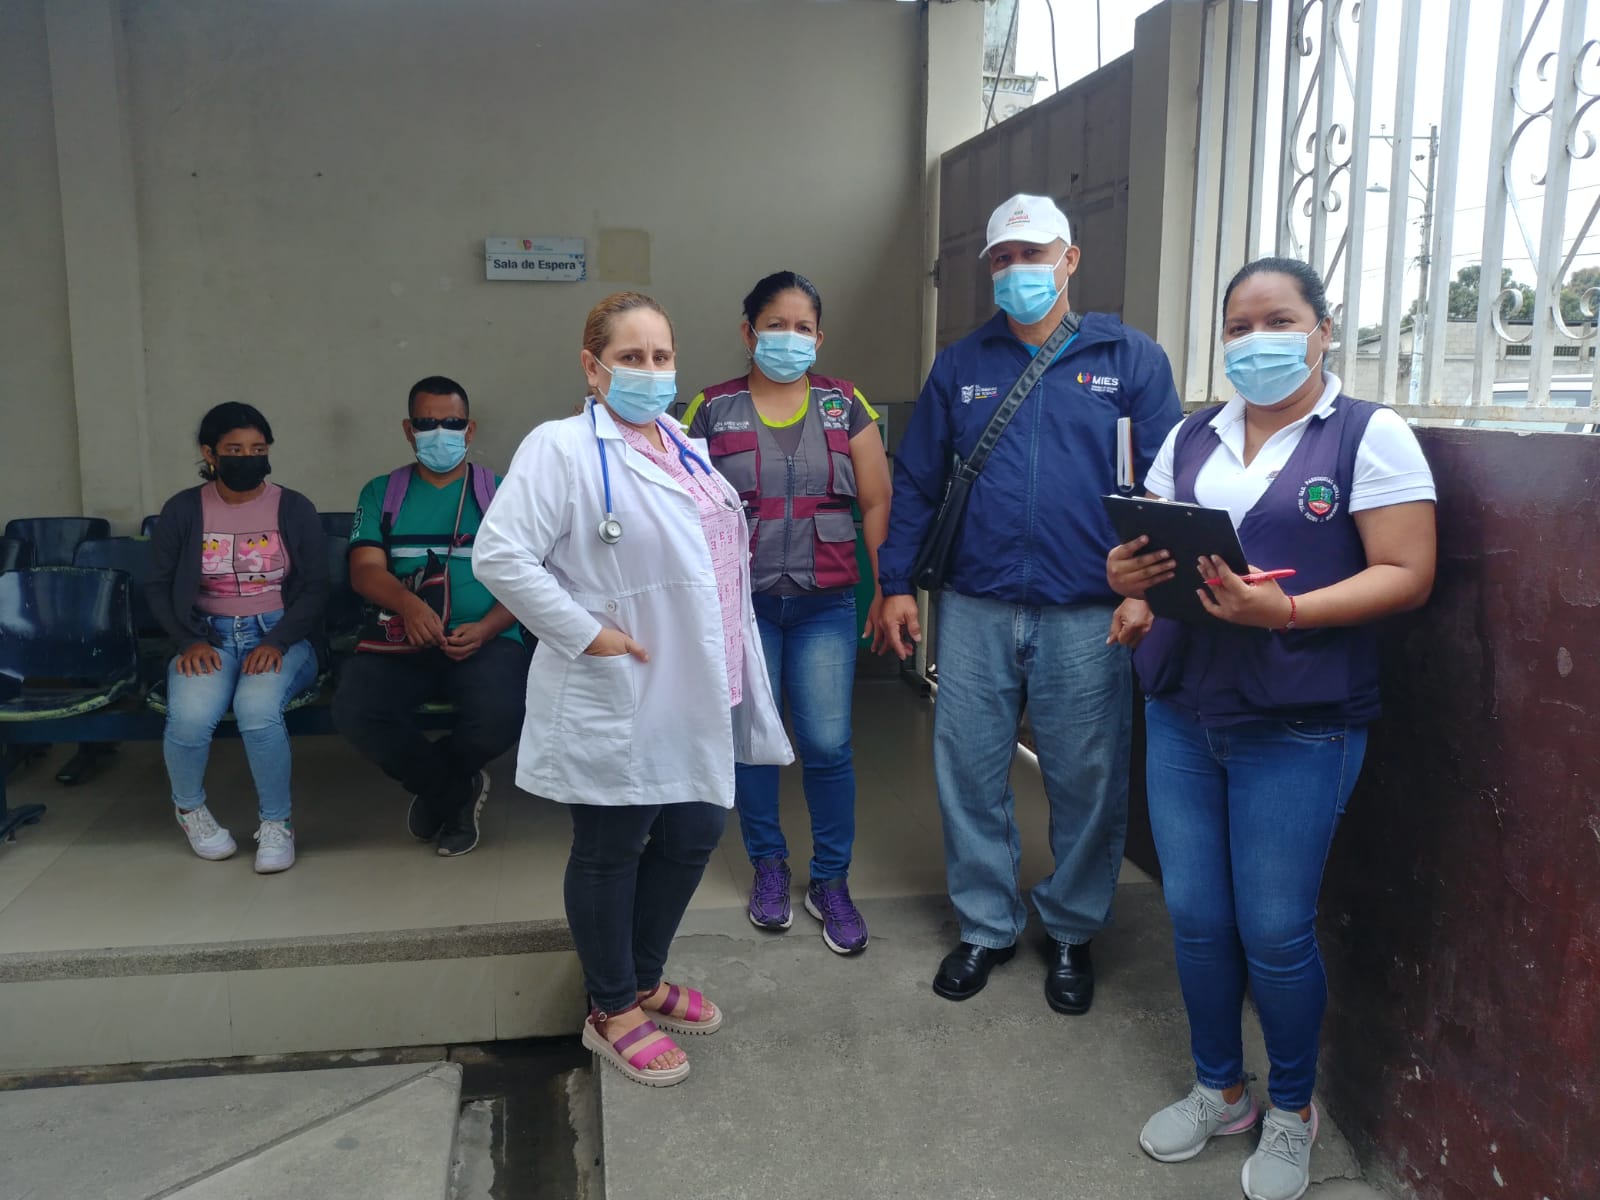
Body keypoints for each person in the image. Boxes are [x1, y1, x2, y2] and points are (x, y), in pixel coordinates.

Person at [1107, 257, 1436, 1200]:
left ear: (1323, 329)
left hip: (1299, 721)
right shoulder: (1192, 435)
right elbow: (1153, 555)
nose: (1258, 342)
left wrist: (1285, 613)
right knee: (1197, 919)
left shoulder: (1368, 435)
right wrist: (1130, 588)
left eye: (1280, 321)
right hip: (1184, 710)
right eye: (1239, 327)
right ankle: (1222, 1089)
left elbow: (1407, 572)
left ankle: (1292, 1110)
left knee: (1276, 931)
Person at [473, 292, 791, 1087]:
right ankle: (611, 1008)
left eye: (661, 356)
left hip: (699, 681)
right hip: (622, 679)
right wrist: (586, 633)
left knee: (692, 834)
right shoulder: (560, 448)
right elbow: (500, 556)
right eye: (631, 357)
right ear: (593, 367)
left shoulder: (683, 445)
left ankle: (644, 978)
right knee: (612, 847)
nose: (651, 371)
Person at [874, 194, 1182, 1013]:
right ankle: (986, 925)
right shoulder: (961, 365)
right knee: (970, 772)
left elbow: (1166, 482)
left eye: (1033, 255)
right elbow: (916, 481)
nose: (1017, 271)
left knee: (1086, 777)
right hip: (976, 605)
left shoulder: (1130, 359)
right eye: (1003, 259)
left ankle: (1073, 929)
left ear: (1069, 260)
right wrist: (895, 584)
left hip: (1088, 610)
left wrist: (1148, 594)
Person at [683, 271, 892, 955]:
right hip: (742, 608)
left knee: (827, 744)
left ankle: (830, 880)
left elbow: (876, 501)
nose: (790, 338)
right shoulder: (710, 410)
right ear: (749, 333)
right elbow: (677, 510)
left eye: (804, 327)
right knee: (754, 742)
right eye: (777, 325)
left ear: (819, 338)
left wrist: (888, 588)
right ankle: (768, 866)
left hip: (825, 604)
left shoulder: (845, 405)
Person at [333, 376, 528, 857]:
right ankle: (453, 791)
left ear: (470, 429)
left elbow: (530, 578)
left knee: (502, 714)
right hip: (401, 636)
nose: (441, 433)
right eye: (427, 423)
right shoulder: (382, 493)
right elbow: (364, 570)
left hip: (485, 638)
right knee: (356, 709)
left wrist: (487, 628)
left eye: (452, 423)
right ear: (408, 430)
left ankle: (439, 786)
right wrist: (410, 605)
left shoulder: (501, 493)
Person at [146, 402, 329, 873]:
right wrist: (187, 641)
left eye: (258, 449)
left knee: (256, 709)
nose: (248, 458)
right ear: (209, 453)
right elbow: (158, 586)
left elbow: (315, 587)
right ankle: (190, 810)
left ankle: (277, 823)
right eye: (234, 450)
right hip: (206, 638)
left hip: (279, 635)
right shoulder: (184, 509)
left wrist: (278, 641)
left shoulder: (293, 507)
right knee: (189, 717)